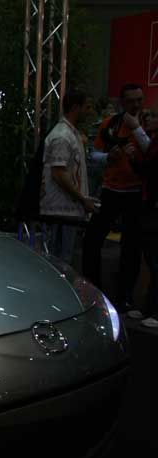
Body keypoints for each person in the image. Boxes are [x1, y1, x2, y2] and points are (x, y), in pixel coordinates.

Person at [82, 83, 146, 310]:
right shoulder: (110, 124)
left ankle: (125, 296)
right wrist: (110, 156)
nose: (136, 104)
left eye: (139, 100)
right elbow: (94, 156)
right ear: (123, 102)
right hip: (111, 190)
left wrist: (137, 130)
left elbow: (151, 152)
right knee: (92, 241)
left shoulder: (147, 123)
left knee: (132, 247)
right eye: (131, 101)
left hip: (136, 193)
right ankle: (93, 290)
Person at [39, 89, 96, 264]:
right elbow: (58, 174)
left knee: (62, 258)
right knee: (59, 261)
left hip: (66, 209)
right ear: (75, 108)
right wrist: (82, 199)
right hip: (61, 210)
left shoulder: (70, 134)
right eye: (87, 107)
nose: (89, 111)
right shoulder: (62, 136)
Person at [133, 102, 158, 327]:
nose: (147, 119)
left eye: (152, 116)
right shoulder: (153, 143)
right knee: (151, 260)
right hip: (149, 207)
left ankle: (154, 311)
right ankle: (148, 308)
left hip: (154, 210)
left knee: (155, 260)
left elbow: (150, 172)